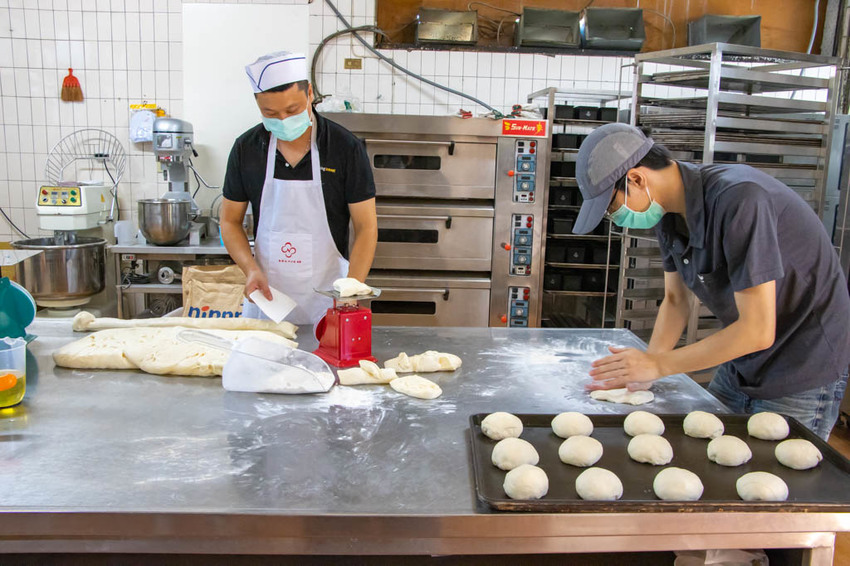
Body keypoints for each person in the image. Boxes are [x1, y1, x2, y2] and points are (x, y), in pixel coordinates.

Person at [573, 123, 850, 440]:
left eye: (611, 207)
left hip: (804, 361)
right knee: (711, 450)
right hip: (744, 361)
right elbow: (676, 302)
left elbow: (758, 330)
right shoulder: (668, 214)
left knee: (778, 482)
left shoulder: (740, 200)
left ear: (636, 179)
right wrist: (644, 369)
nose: (616, 218)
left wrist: (659, 366)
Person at [220, 51, 378, 325]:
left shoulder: (344, 148)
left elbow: (366, 227)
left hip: (329, 300)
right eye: (270, 113)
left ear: (309, 94)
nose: (282, 120)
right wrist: (250, 270)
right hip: (268, 301)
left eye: (292, 110)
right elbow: (229, 221)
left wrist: (352, 289)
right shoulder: (247, 149)